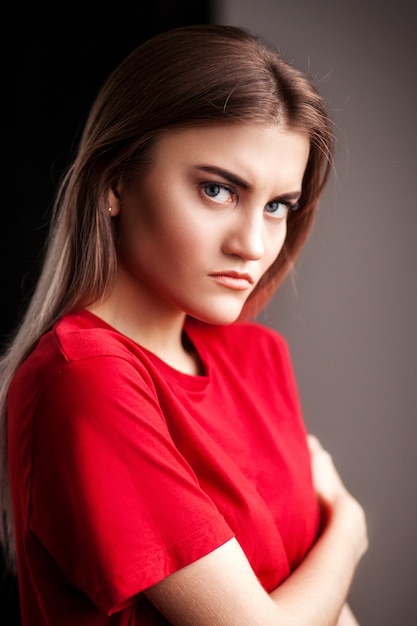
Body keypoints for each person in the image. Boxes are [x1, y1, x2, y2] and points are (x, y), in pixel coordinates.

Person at [0, 24, 368, 626]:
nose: (253, 244)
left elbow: (322, 600)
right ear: (117, 179)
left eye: (278, 205)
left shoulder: (257, 357)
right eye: (218, 190)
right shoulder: (86, 379)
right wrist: (350, 527)